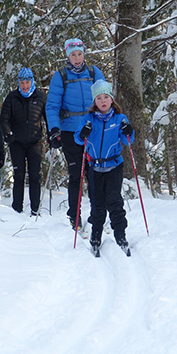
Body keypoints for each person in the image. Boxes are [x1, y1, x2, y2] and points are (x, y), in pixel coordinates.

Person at [45, 38, 104, 229]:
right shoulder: (60, 76)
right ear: (67, 56)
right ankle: (75, 215)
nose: (77, 58)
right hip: (70, 131)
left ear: (84, 54)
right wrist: (54, 129)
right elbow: (52, 105)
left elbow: (105, 99)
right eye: (73, 55)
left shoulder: (94, 73)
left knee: (94, 174)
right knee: (76, 174)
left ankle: (98, 215)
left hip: (93, 130)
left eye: (79, 54)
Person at [74, 80, 134, 257]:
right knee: (97, 203)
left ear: (111, 99)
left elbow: (127, 140)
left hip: (114, 165)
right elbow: (78, 139)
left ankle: (120, 235)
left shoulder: (119, 118)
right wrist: (83, 133)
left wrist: (129, 130)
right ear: (94, 101)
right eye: (99, 98)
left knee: (115, 201)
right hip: (95, 166)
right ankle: (96, 237)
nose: (102, 101)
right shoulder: (88, 118)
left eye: (106, 97)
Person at [0, 67, 47, 216]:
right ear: (18, 83)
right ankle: (17, 210)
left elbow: (48, 118)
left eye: (27, 82)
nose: (25, 86)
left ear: (32, 81)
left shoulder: (40, 97)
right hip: (17, 142)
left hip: (34, 142)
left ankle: (35, 210)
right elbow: (4, 118)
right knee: (18, 175)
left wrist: (53, 134)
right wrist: (7, 133)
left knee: (34, 176)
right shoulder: (12, 97)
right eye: (22, 83)